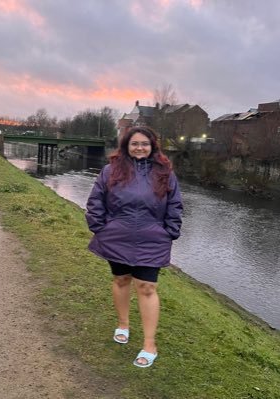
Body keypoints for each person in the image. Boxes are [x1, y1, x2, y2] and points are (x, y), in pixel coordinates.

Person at [85, 126, 183, 368]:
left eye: (145, 144)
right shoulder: (111, 170)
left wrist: (169, 231)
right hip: (117, 236)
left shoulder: (165, 173)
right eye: (135, 143)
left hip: (152, 238)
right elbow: (96, 200)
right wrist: (101, 227)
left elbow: (175, 204)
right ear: (126, 146)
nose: (140, 147)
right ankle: (123, 324)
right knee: (121, 280)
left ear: (153, 147)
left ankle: (150, 344)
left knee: (147, 287)